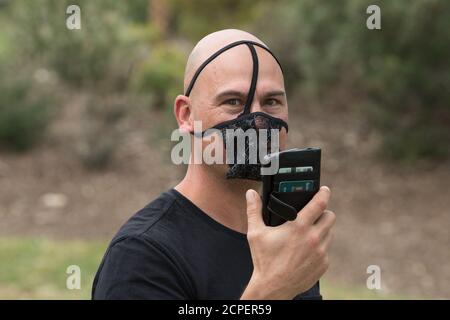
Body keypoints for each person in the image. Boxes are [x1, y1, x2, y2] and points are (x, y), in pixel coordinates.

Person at [92, 29, 336, 300]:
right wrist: (271, 289)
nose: (257, 120)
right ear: (186, 115)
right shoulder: (142, 256)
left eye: (271, 102)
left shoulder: (287, 239)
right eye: (233, 102)